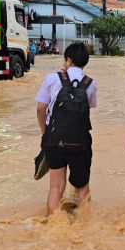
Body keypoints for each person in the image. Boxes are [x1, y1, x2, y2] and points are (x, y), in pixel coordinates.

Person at [35, 42, 97, 216]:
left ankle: (52, 223)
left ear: (68, 60)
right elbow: (87, 110)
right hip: (80, 140)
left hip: (55, 139)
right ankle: (85, 226)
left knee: (56, 186)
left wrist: (45, 133)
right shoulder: (90, 83)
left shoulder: (52, 78)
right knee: (82, 186)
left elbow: (41, 108)